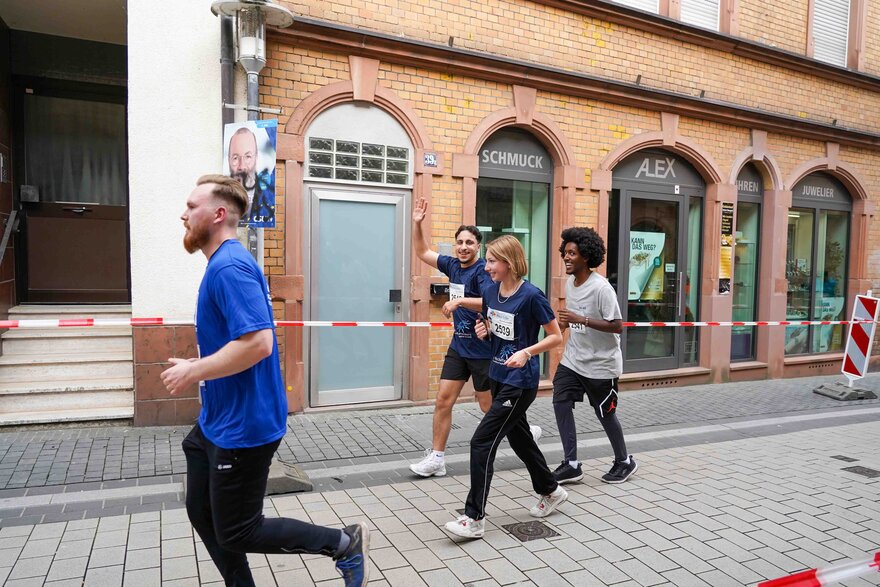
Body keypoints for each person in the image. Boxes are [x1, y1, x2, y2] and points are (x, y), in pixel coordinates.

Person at [160, 174, 369, 587]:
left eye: (192, 206)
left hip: (245, 426)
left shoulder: (231, 267)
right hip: (219, 420)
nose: (183, 214)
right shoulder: (221, 264)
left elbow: (258, 344)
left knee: (239, 530)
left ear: (218, 214)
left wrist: (194, 369)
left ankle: (342, 543)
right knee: (201, 510)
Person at [444, 235, 566, 539]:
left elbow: (555, 337)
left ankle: (474, 518)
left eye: (491, 261)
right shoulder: (489, 290)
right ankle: (550, 489)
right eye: (487, 261)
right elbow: (492, 324)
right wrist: (484, 330)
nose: (486, 267)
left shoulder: (531, 296)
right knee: (521, 440)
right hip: (497, 376)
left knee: (481, 442)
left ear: (509, 263)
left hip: (520, 383)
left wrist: (526, 352)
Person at [408, 199, 542, 478]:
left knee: (488, 407)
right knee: (443, 400)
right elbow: (422, 251)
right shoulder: (452, 265)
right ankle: (437, 458)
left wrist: (458, 303)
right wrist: (417, 224)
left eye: (469, 242)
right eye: (459, 242)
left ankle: (526, 432)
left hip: (483, 349)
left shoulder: (484, 271)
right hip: (459, 346)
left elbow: (489, 301)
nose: (463, 247)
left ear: (477, 247)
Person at [552, 227, 637, 486]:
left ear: (586, 257)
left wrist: (582, 319)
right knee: (560, 401)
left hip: (601, 365)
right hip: (574, 359)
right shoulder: (570, 282)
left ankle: (624, 461)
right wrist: (565, 324)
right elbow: (573, 318)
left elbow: (617, 325)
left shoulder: (601, 288)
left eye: (572, 253)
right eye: (565, 252)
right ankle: (572, 464)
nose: (566, 257)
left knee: (605, 414)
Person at [227, 127, 273, 225]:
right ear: (228, 160)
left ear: (256, 158)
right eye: (235, 158)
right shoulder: (222, 199)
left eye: (248, 157)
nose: (242, 166)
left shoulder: (267, 196)